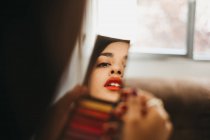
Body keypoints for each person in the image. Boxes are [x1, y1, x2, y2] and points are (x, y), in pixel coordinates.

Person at [36, 35, 172, 140]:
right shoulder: (64, 113)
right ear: (88, 73)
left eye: (124, 66)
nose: (117, 70)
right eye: (105, 64)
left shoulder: (124, 118)